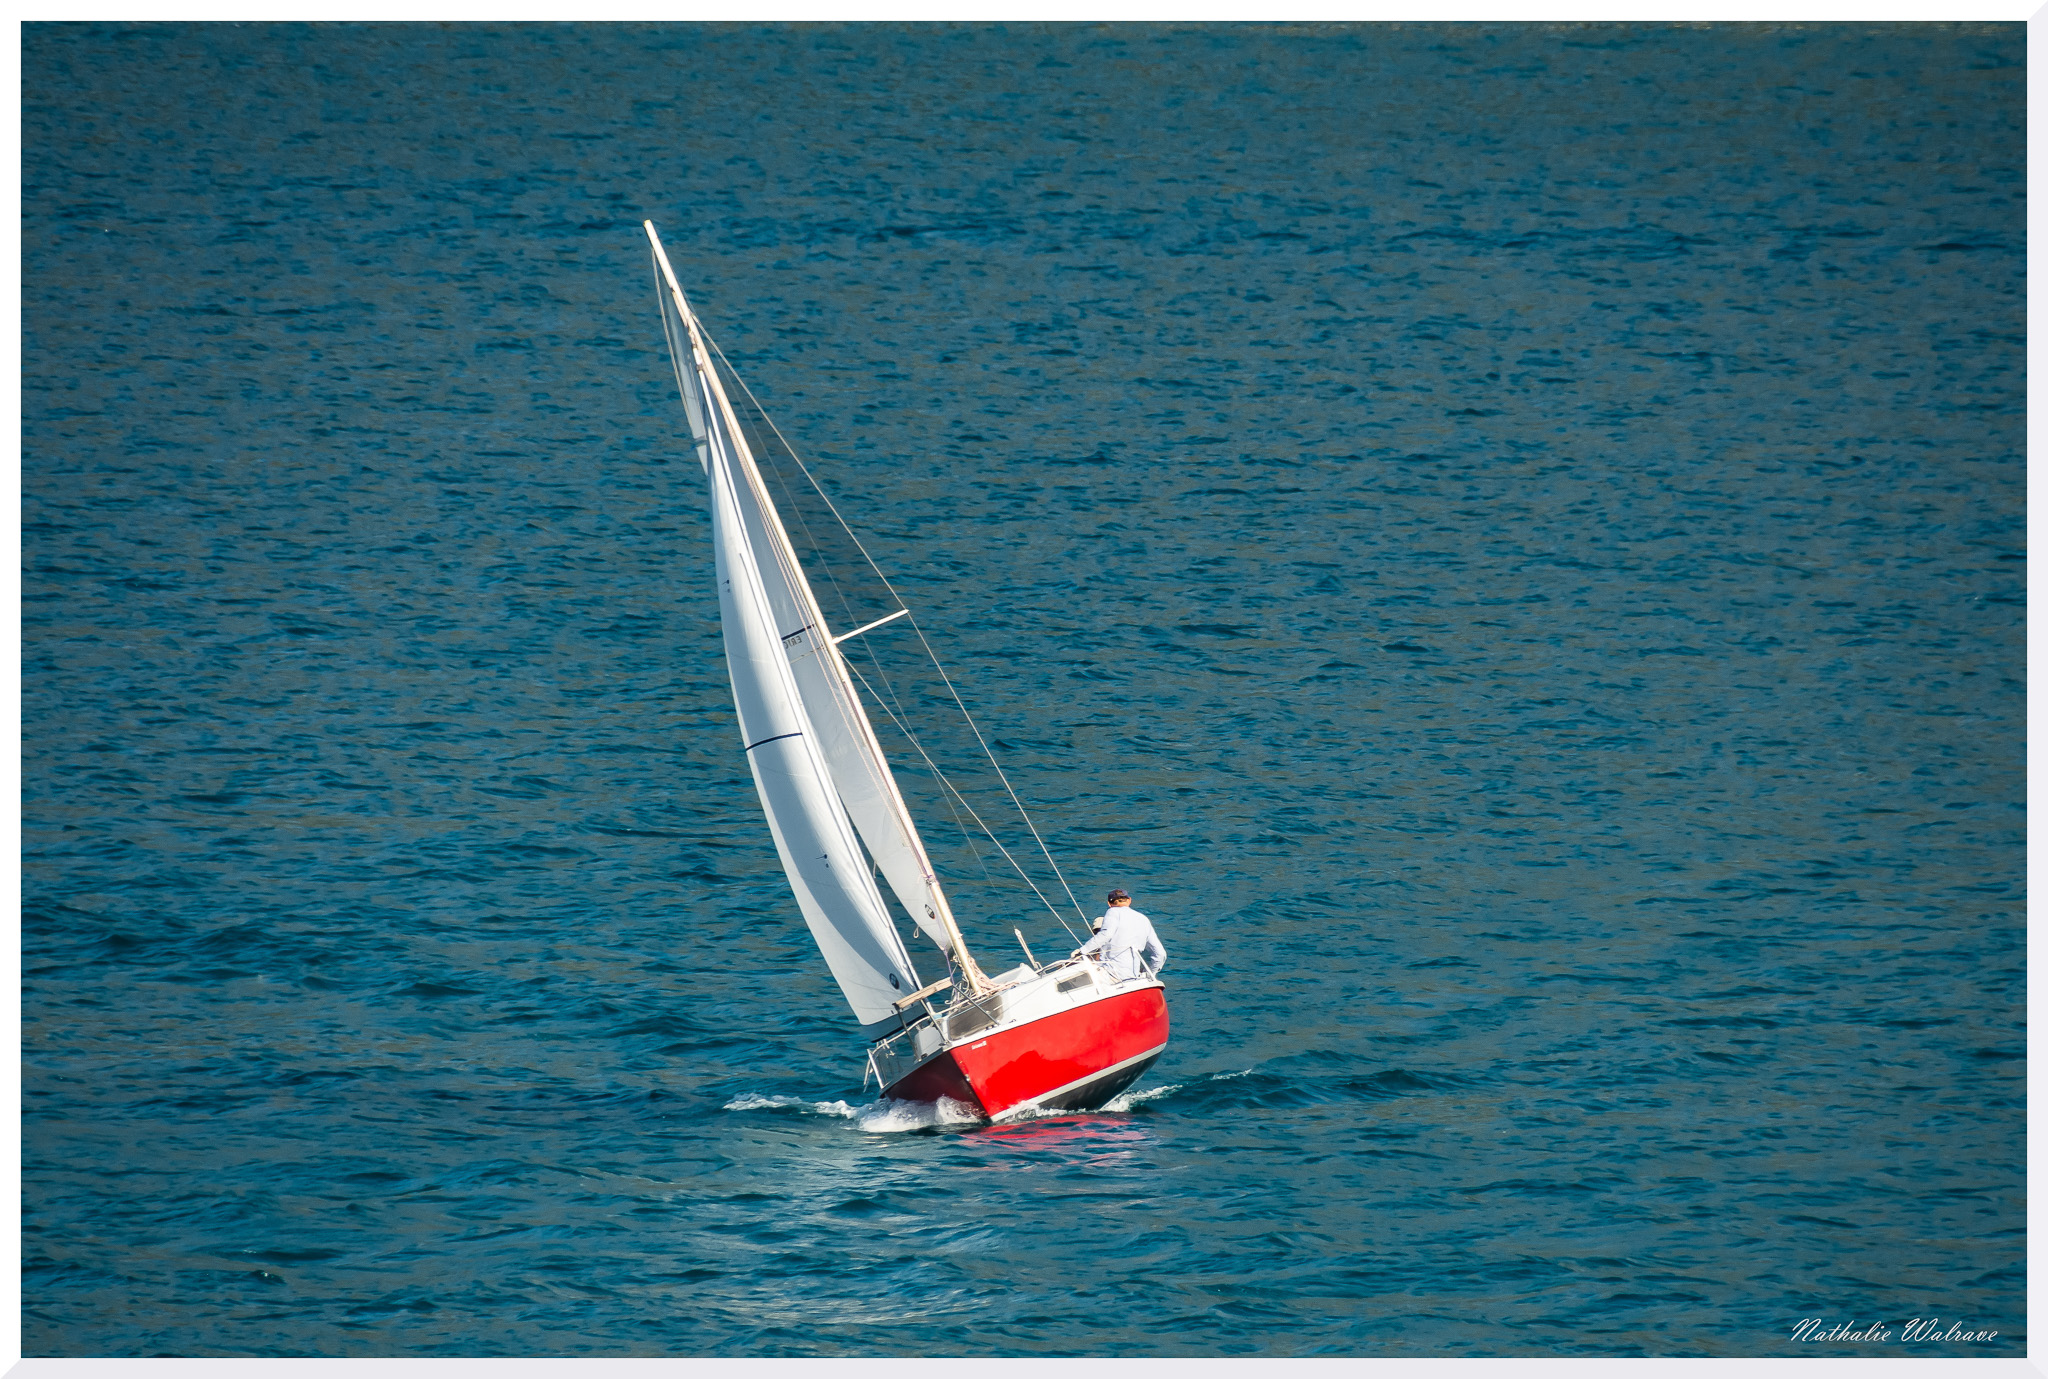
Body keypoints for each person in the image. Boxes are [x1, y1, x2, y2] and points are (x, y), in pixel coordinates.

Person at [1073, 888, 1167, 983]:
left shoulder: (1112, 912)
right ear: (1129, 900)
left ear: (1109, 904)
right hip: (1133, 978)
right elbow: (1160, 954)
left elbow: (1105, 935)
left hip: (1110, 975)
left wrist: (1082, 951)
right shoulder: (1144, 919)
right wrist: (1149, 974)